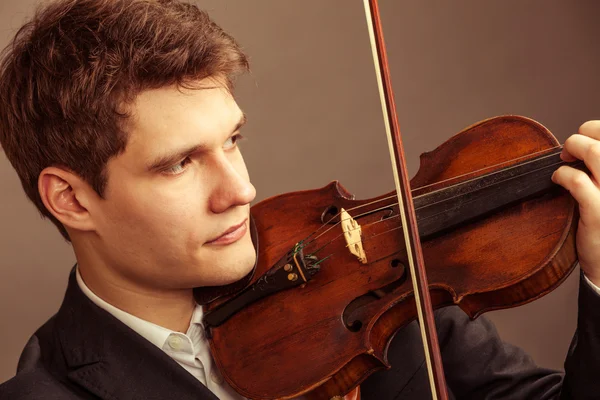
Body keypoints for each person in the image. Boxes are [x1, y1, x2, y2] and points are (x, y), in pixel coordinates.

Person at [0, 0, 599, 399]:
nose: (241, 190)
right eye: (180, 163)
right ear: (71, 199)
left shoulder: (373, 290)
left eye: (232, 141)